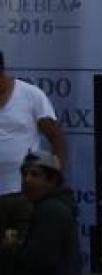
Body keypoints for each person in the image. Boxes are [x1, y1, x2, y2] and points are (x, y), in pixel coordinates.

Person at [0, 50, 67, 243]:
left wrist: (54, 182)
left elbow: (56, 138)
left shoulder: (30, 95)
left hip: (21, 194)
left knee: (17, 251)